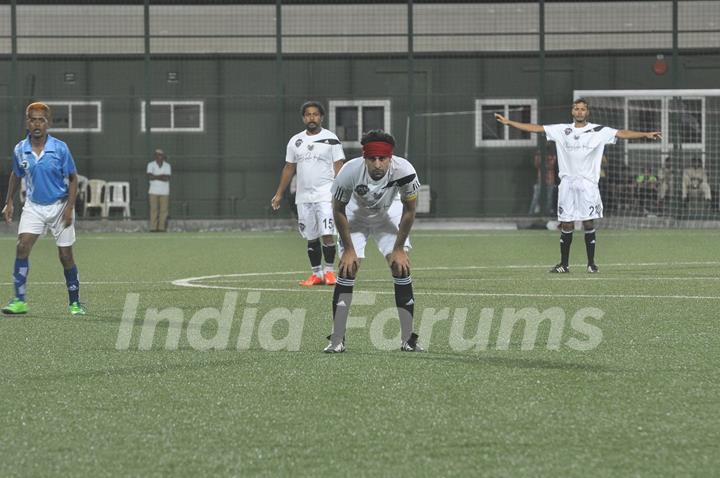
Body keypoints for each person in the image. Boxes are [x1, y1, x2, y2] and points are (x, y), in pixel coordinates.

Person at [496, 99, 661, 273]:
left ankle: (591, 264)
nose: (580, 112)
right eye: (577, 109)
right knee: (566, 224)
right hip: (567, 184)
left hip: (588, 184)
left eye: (583, 109)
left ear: (587, 112)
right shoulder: (562, 130)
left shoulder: (598, 130)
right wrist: (509, 123)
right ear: (572, 112)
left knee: (588, 223)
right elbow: (536, 128)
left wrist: (645, 134)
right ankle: (564, 265)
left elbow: (622, 133)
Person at [324, 130, 423, 353]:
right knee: (348, 269)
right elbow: (338, 209)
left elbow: (410, 210)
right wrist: (349, 249)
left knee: (400, 267)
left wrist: (398, 248)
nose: (377, 164)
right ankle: (337, 339)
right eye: (372, 159)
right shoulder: (349, 171)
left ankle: (407, 339)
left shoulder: (405, 171)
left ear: (391, 158)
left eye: (382, 159)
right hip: (355, 216)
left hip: (388, 214)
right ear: (364, 157)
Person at [1, 102, 85, 315]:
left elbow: (73, 178)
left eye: (41, 120)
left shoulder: (60, 148)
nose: (37, 124)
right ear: (27, 122)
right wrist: (9, 201)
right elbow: (15, 174)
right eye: (33, 119)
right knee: (22, 246)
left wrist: (69, 208)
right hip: (34, 206)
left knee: (65, 255)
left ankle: (74, 302)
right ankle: (19, 301)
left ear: (47, 123)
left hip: (59, 206)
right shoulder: (20, 149)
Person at [271, 101, 345, 287]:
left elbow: (339, 166)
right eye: (308, 114)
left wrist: (342, 192)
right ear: (304, 118)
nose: (312, 117)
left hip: (326, 195)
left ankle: (329, 272)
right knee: (311, 236)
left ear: (321, 117)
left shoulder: (331, 139)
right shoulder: (295, 141)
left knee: (327, 233)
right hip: (303, 197)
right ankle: (316, 274)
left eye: (315, 114)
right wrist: (279, 193)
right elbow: (289, 167)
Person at [528, 144, 558, 215]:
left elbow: (551, 165)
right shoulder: (539, 155)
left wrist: (544, 162)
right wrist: (539, 155)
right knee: (536, 197)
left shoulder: (552, 155)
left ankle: (547, 213)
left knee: (549, 198)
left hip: (550, 179)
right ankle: (530, 214)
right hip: (540, 179)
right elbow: (537, 164)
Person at [147, 148, 171, 232]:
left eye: (161, 155)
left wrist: (155, 176)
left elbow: (167, 178)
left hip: (164, 192)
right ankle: (153, 228)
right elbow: (150, 176)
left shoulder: (167, 165)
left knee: (163, 211)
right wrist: (161, 176)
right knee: (154, 210)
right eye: (157, 155)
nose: (159, 156)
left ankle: (161, 228)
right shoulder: (150, 164)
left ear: (163, 156)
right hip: (153, 191)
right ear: (155, 156)